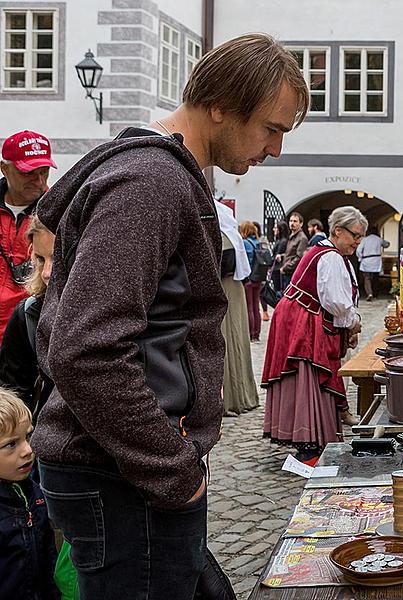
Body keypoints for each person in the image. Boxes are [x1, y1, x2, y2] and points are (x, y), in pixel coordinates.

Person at [32, 33, 309, 598]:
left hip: (126, 468)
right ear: (220, 106)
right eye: (271, 128)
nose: (275, 148)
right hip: (123, 475)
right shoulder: (150, 184)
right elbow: (86, 350)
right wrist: (172, 470)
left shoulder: (161, 176)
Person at [262, 206, 365, 460]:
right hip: (302, 320)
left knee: (305, 378)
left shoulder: (331, 254)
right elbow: (335, 301)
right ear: (338, 231)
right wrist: (353, 321)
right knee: (307, 375)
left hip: (299, 316)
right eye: (355, 235)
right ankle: (308, 440)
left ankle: (311, 437)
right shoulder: (329, 257)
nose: (358, 242)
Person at [0, 388, 59, 600]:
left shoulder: (34, 492)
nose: (27, 450)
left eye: (27, 436)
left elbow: (48, 555)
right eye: (10, 444)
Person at [0, 130, 56, 337]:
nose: (39, 181)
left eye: (44, 172)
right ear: (4, 168)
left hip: (27, 336)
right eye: (28, 173)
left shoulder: (58, 214)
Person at [0, 217, 54, 413]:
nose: (46, 272)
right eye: (41, 259)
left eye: (57, 257)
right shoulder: (29, 314)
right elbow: (13, 397)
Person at [217, 203, 258, 417]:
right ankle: (241, 395)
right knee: (236, 342)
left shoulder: (221, 237)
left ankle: (231, 399)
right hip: (234, 289)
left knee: (227, 342)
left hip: (224, 289)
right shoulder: (232, 236)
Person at [240, 220, 264, 342]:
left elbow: (246, 261)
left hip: (249, 278)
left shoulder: (245, 243)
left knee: (249, 306)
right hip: (258, 278)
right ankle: (257, 333)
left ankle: (250, 332)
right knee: (256, 306)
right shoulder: (258, 242)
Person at [264, 218, 290, 317]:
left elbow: (277, 255)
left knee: (278, 290)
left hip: (277, 269)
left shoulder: (282, 242)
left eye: (276, 228)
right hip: (276, 269)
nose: (274, 229)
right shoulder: (280, 240)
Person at [356, 225, 389, 301]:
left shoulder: (365, 240)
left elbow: (358, 250)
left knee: (367, 278)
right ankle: (375, 294)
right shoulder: (378, 239)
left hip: (366, 260)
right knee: (375, 278)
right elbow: (387, 244)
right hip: (376, 260)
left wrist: (361, 258)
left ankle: (369, 293)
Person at [280, 211, 308, 280]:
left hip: (292, 273)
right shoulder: (292, 236)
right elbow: (291, 254)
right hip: (287, 272)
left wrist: (285, 268)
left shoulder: (302, 238)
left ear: (301, 224)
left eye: (295, 221)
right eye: (291, 221)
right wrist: (282, 256)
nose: (292, 223)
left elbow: (299, 257)